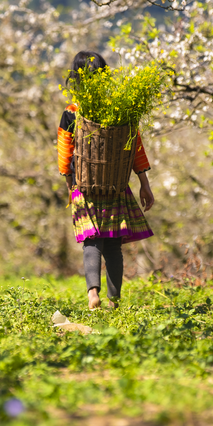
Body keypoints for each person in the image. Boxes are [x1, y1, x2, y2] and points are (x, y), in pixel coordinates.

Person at [58, 51, 155, 310]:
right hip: (115, 186)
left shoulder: (72, 112)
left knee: (91, 242)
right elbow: (135, 145)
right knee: (113, 245)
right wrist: (144, 183)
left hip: (84, 186)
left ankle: (93, 293)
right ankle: (115, 300)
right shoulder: (119, 108)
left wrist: (69, 184)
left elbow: (65, 152)